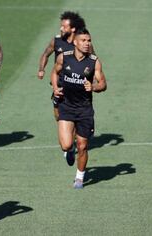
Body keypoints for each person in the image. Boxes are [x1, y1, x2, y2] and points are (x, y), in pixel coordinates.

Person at [50, 28, 107, 189]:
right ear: (75, 42)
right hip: (66, 106)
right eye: (83, 40)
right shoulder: (64, 58)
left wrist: (94, 87)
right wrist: (55, 87)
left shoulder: (94, 61)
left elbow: (103, 83)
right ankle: (69, 150)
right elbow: (54, 73)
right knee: (67, 145)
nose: (87, 44)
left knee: (82, 145)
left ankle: (79, 178)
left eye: (89, 40)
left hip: (84, 110)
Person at [37, 11, 87, 121]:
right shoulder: (57, 41)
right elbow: (46, 54)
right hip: (59, 85)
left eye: (64, 27)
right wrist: (41, 69)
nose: (61, 29)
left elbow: (91, 61)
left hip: (77, 85)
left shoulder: (82, 43)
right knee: (59, 116)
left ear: (73, 29)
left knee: (74, 117)